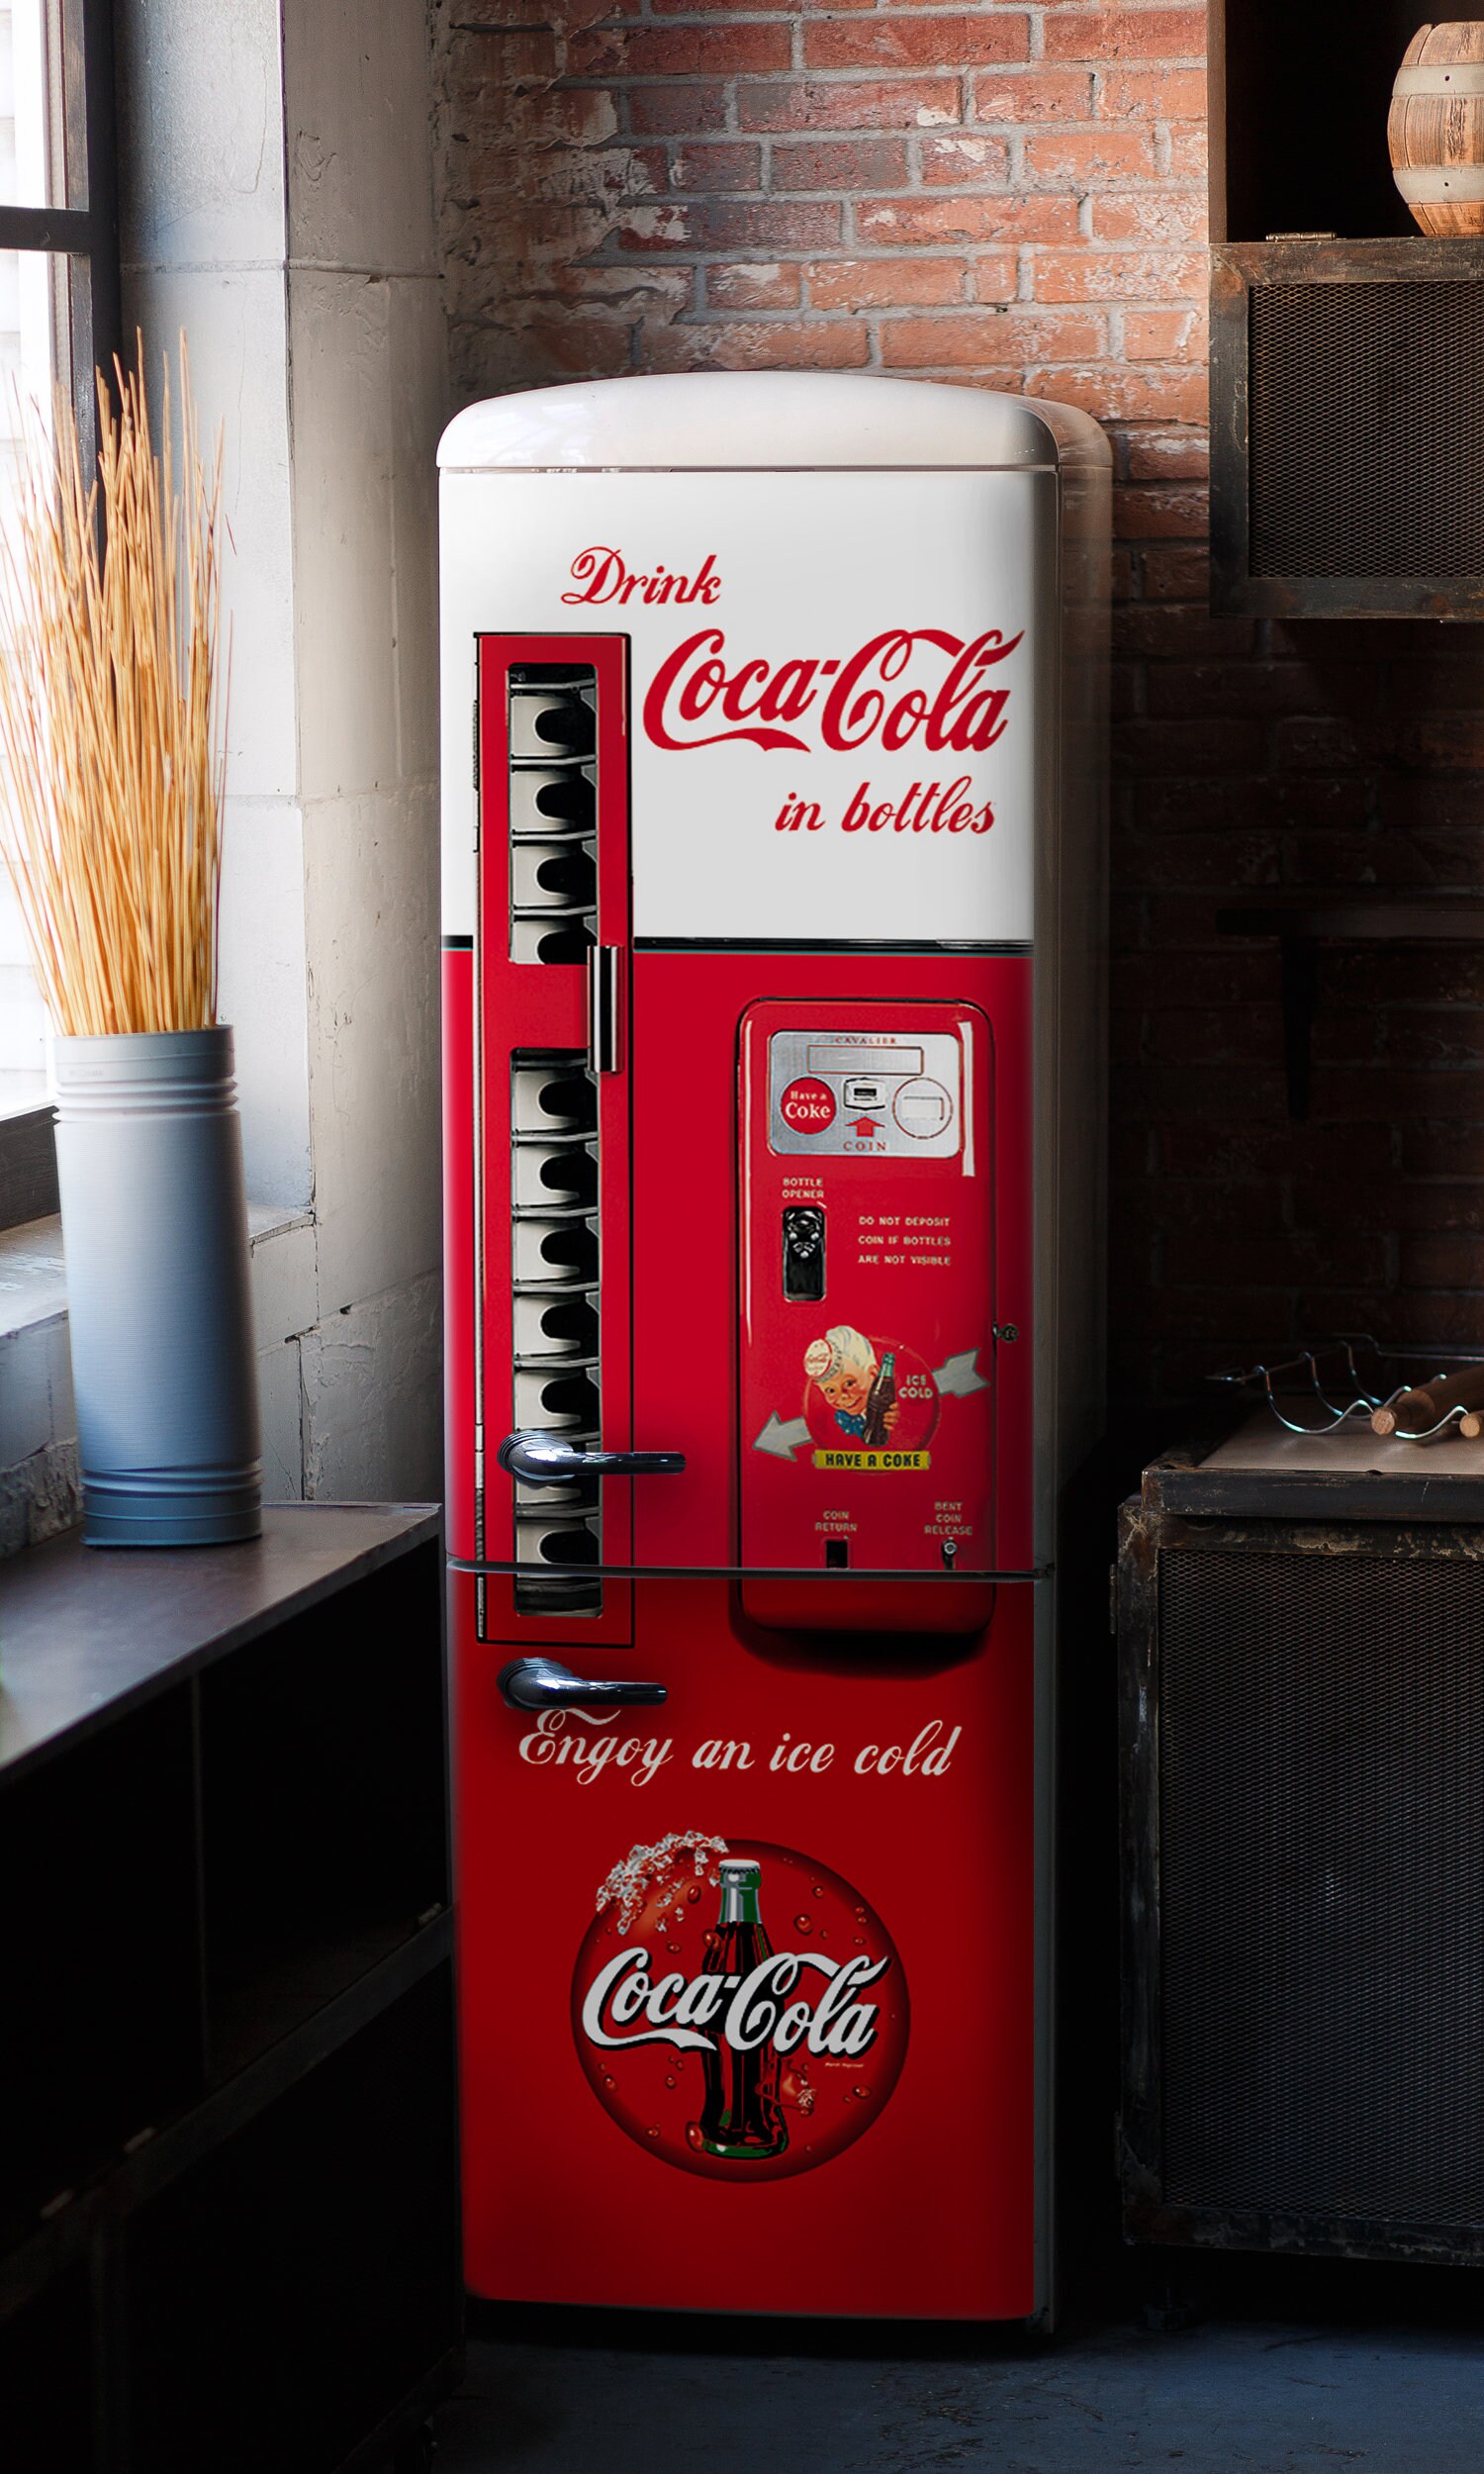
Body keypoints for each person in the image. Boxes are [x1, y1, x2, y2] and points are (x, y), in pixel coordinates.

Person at [803, 1326, 900, 1445]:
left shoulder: (889, 1411)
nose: (843, 1396)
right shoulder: (840, 1419)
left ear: (873, 1374)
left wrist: (897, 1423)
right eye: (830, 1390)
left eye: (849, 1383)